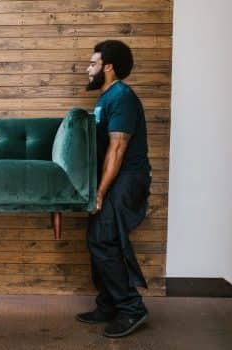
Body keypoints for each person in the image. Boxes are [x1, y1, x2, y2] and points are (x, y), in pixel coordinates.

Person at [75, 40, 152, 338]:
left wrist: (101, 191)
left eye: (93, 63)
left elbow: (117, 149)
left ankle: (131, 308)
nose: (88, 68)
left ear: (108, 67)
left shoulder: (122, 97)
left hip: (126, 179)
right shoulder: (105, 98)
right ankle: (108, 304)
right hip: (113, 178)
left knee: (104, 240)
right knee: (98, 239)